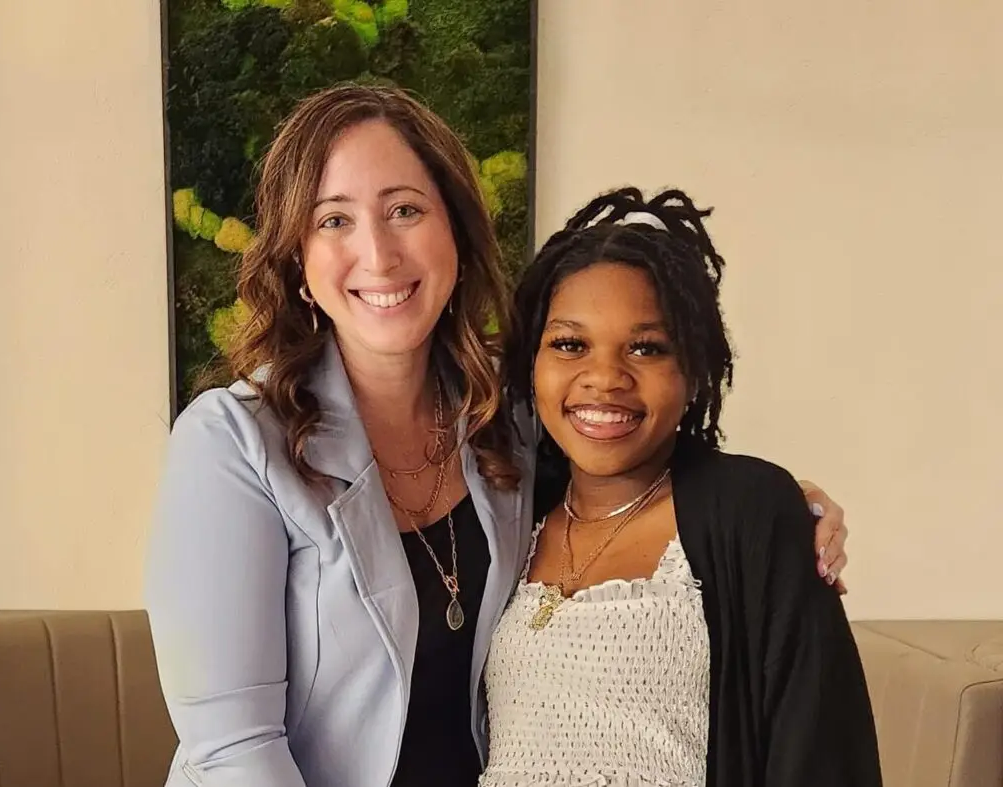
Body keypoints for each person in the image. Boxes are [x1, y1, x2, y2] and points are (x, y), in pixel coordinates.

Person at [144, 85, 851, 787]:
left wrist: (775, 505)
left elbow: (627, 457)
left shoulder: (505, 420)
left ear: (455, 231)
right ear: (299, 261)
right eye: (334, 220)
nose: (378, 253)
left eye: (404, 210)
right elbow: (234, 749)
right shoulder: (232, 442)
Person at [481, 187, 881, 787]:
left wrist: (782, 512)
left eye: (646, 348)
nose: (605, 378)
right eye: (570, 344)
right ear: (530, 365)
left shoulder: (750, 512)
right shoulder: (504, 512)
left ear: (692, 371)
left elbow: (823, 752)